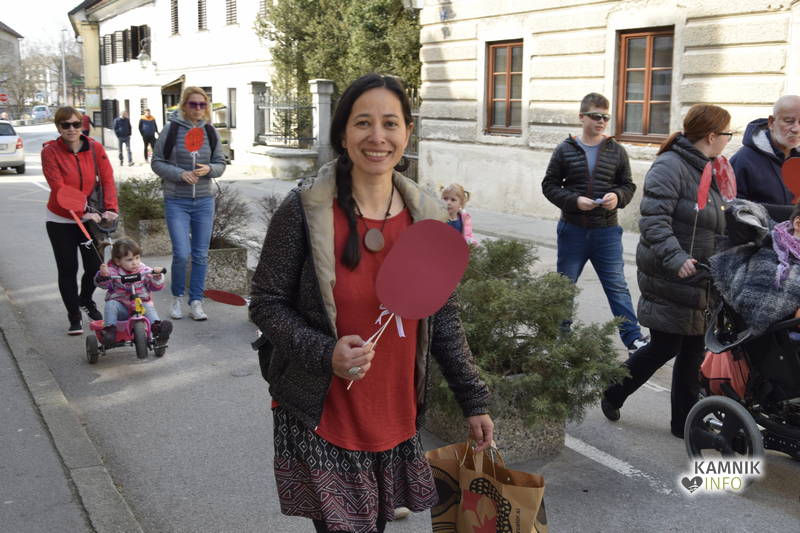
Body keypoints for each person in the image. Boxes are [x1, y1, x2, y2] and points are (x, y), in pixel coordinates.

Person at [249, 73, 493, 533]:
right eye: (363, 123)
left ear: (407, 133)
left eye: (390, 123)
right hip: (323, 414)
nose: (377, 136)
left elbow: (442, 315)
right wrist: (326, 353)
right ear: (343, 133)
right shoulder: (304, 209)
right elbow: (266, 302)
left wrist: (473, 400)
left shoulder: (428, 218)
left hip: (395, 414)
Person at [602, 104, 732, 438]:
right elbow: (653, 221)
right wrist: (677, 259)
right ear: (711, 135)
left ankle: (683, 423)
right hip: (671, 274)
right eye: (727, 134)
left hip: (700, 277)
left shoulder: (712, 168)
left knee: (693, 351)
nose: (728, 140)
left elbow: (716, 219)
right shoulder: (670, 166)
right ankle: (613, 390)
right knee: (665, 346)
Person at [541, 92, 648, 354]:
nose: (601, 121)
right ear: (582, 117)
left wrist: (618, 197)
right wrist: (575, 201)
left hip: (606, 231)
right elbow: (549, 185)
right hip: (572, 230)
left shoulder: (616, 150)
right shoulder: (565, 149)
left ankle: (633, 339)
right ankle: (561, 340)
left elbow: (628, 185)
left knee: (617, 286)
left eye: (605, 117)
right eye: (596, 116)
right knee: (564, 287)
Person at [41, 106, 119, 334]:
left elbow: (107, 178)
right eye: (65, 125)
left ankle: (85, 299)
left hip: (89, 221)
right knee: (68, 268)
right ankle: (74, 316)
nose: (71, 129)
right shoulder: (50, 152)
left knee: (95, 267)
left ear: (81, 125)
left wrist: (110, 208)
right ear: (58, 127)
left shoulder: (94, 148)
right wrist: (81, 210)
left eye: (76, 124)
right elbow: (58, 187)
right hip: (60, 220)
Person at [152, 86, 226, 321]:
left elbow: (221, 163)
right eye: (193, 104)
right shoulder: (171, 129)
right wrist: (179, 174)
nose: (198, 108)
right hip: (177, 200)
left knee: (201, 255)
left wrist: (209, 169)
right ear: (184, 105)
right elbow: (156, 162)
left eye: (202, 104)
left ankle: (196, 301)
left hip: (204, 200)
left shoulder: (210, 131)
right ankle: (177, 298)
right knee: (182, 254)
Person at [731, 95, 800, 220]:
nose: (796, 129)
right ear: (771, 122)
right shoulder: (743, 160)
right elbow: (734, 209)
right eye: (789, 121)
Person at [95, 237, 172, 346]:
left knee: (148, 306)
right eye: (130, 260)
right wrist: (103, 276)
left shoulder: (144, 270)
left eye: (137, 258)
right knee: (111, 304)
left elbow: (155, 287)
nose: (135, 263)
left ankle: (157, 328)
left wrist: (157, 276)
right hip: (122, 309)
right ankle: (110, 331)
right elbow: (103, 285)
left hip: (140, 305)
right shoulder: (112, 271)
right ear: (118, 261)